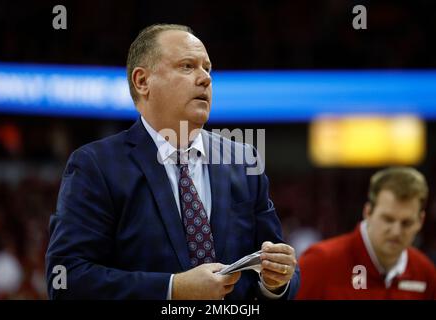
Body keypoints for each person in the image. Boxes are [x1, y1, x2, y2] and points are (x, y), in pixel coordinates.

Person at [45, 24, 300, 300]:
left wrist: (276, 282)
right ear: (142, 82)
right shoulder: (95, 165)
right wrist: (172, 289)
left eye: (208, 68)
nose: (205, 79)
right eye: (188, 66)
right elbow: (66, 278)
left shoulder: (243, 160)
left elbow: (279, 266)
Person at [296, 167, 436, 299]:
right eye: (388, 219)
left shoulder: (425, 273)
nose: (396, 231)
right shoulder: (320, 262)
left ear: (420, 221)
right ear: (368, 212)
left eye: (406, 223)